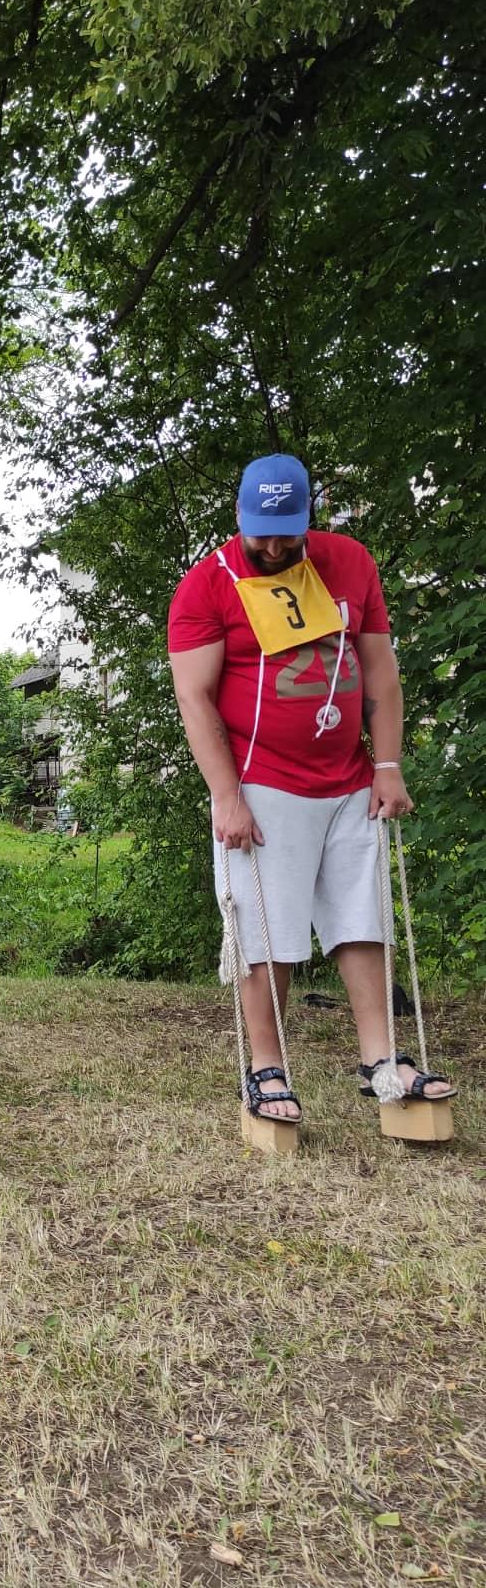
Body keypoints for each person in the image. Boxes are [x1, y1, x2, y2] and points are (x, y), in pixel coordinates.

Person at [167, 453, 453, 1124]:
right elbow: (194, 695)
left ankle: (382, 1062)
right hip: (262, 783)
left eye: (286, 532)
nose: (271, 545)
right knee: (267, 930)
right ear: (240, 516)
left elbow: (379, 671)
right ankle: (267, 1069)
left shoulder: (350, 562)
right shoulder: (207, 584)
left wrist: (388, 765)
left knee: (362, 918)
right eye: (259, 531)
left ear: (308, 518)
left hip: (349, 778)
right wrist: (225, 794)